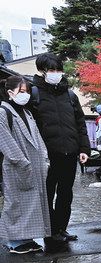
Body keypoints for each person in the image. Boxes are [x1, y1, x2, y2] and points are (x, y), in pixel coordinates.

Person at [30, 52, 91, 243]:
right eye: (51, 70)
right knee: (47, 193)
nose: (56, 73)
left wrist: (83, 148)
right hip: (47, 155)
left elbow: (80, 123)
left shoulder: (70, 95)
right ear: (42, 71)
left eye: (58, 70)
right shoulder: (34, 93)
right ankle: (49, 231)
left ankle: (61, 228)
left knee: (66, 193)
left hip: (69, 152)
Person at [0, 76, 51, 253]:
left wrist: (44, 158)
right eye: (21, 91)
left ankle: (27, 239)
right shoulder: (3, 111)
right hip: (17, 165)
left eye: (27, 91)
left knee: (31, 204)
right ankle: (15, 241)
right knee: (17, 204)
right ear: (10, 92)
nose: (25, 95)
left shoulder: (27, 113)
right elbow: (5, 140)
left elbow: (37, 137)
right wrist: (21, 162)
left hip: (33, 164)